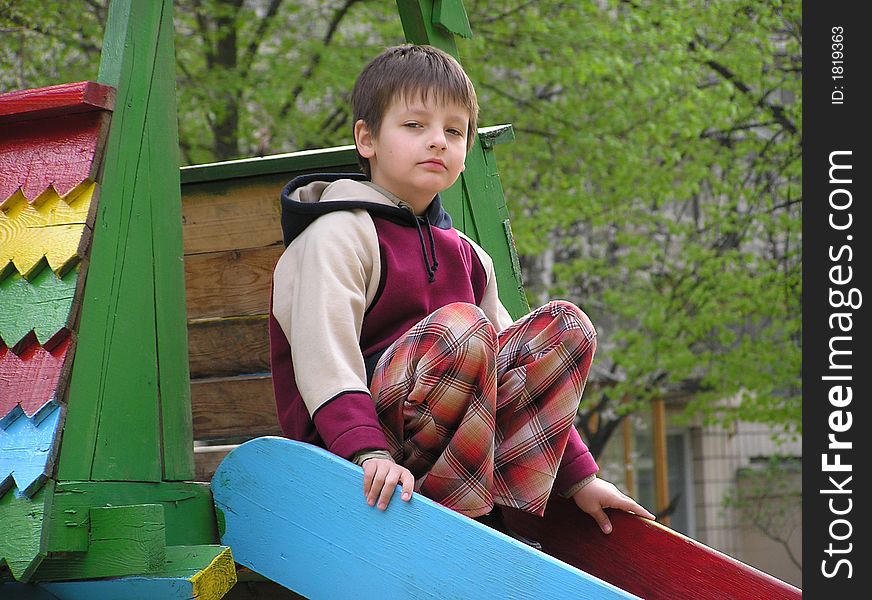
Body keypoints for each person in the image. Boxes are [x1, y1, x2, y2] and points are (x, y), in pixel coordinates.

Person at [269, 43, 654, 547]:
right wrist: (367, 453)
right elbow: (325, 359)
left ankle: (496, 517)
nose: (437, 142)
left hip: (448, 450)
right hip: (352, 456)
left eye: (454, 131)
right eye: (415, 126)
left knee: (563, 327)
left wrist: (581, 476)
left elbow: (517, 369)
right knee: (465, 328)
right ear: (367, 138)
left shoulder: (468, 255)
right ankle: (467, 519)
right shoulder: (337, 234)